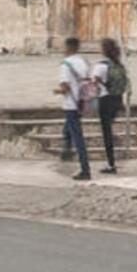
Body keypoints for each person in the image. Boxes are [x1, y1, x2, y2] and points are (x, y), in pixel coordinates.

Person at [56, 37, 92, 181]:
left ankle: (85, 169)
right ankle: (66, 147)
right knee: (68, 128)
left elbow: (65, 88)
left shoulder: (65, 65)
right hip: (83, 102)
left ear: (69, 48)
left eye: (64, 47)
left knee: (78, 136)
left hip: (71, 104)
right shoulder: (84, 62)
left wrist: (56, 91)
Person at [93, 38, 130, 175]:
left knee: (106, 132)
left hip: (105, 100)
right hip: (117, 100)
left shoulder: (100, 66)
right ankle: (112, 154)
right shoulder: (119, 65)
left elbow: (94, 85)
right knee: (109, 129)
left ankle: (111, 164)